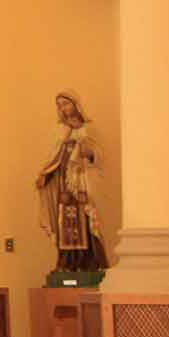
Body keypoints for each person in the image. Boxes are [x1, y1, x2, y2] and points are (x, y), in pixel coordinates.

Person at [35, 90, 107, 273]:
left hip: (82, 180)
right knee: (65, 223)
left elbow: (99, 155)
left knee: (86, 219)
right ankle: (68, 264)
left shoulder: (88, 128)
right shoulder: (60, 131)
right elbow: (55, 158)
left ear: (75, 104)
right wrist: (46, 174)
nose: (63, 108)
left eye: (66, 103)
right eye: (59, 105)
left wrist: (88, 152)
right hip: (64, 182)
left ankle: (90, 263)